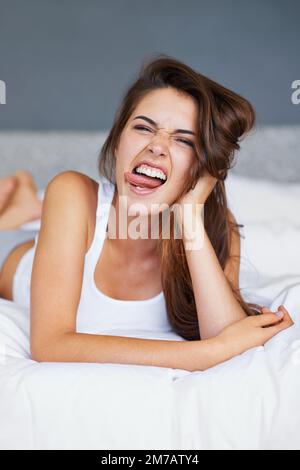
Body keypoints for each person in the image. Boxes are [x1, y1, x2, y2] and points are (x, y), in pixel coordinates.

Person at [0, 55, 294, 372]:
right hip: (14, 256)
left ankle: (24, 207)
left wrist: (190, 216)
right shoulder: (71, 192)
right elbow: (50, 344)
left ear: (203, 167)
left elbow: (225, 333)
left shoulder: (216, 226)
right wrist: (205, 354)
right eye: (143, 128)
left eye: (184, 140)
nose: (157, 146)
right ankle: (17, 214)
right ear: (116, 143)